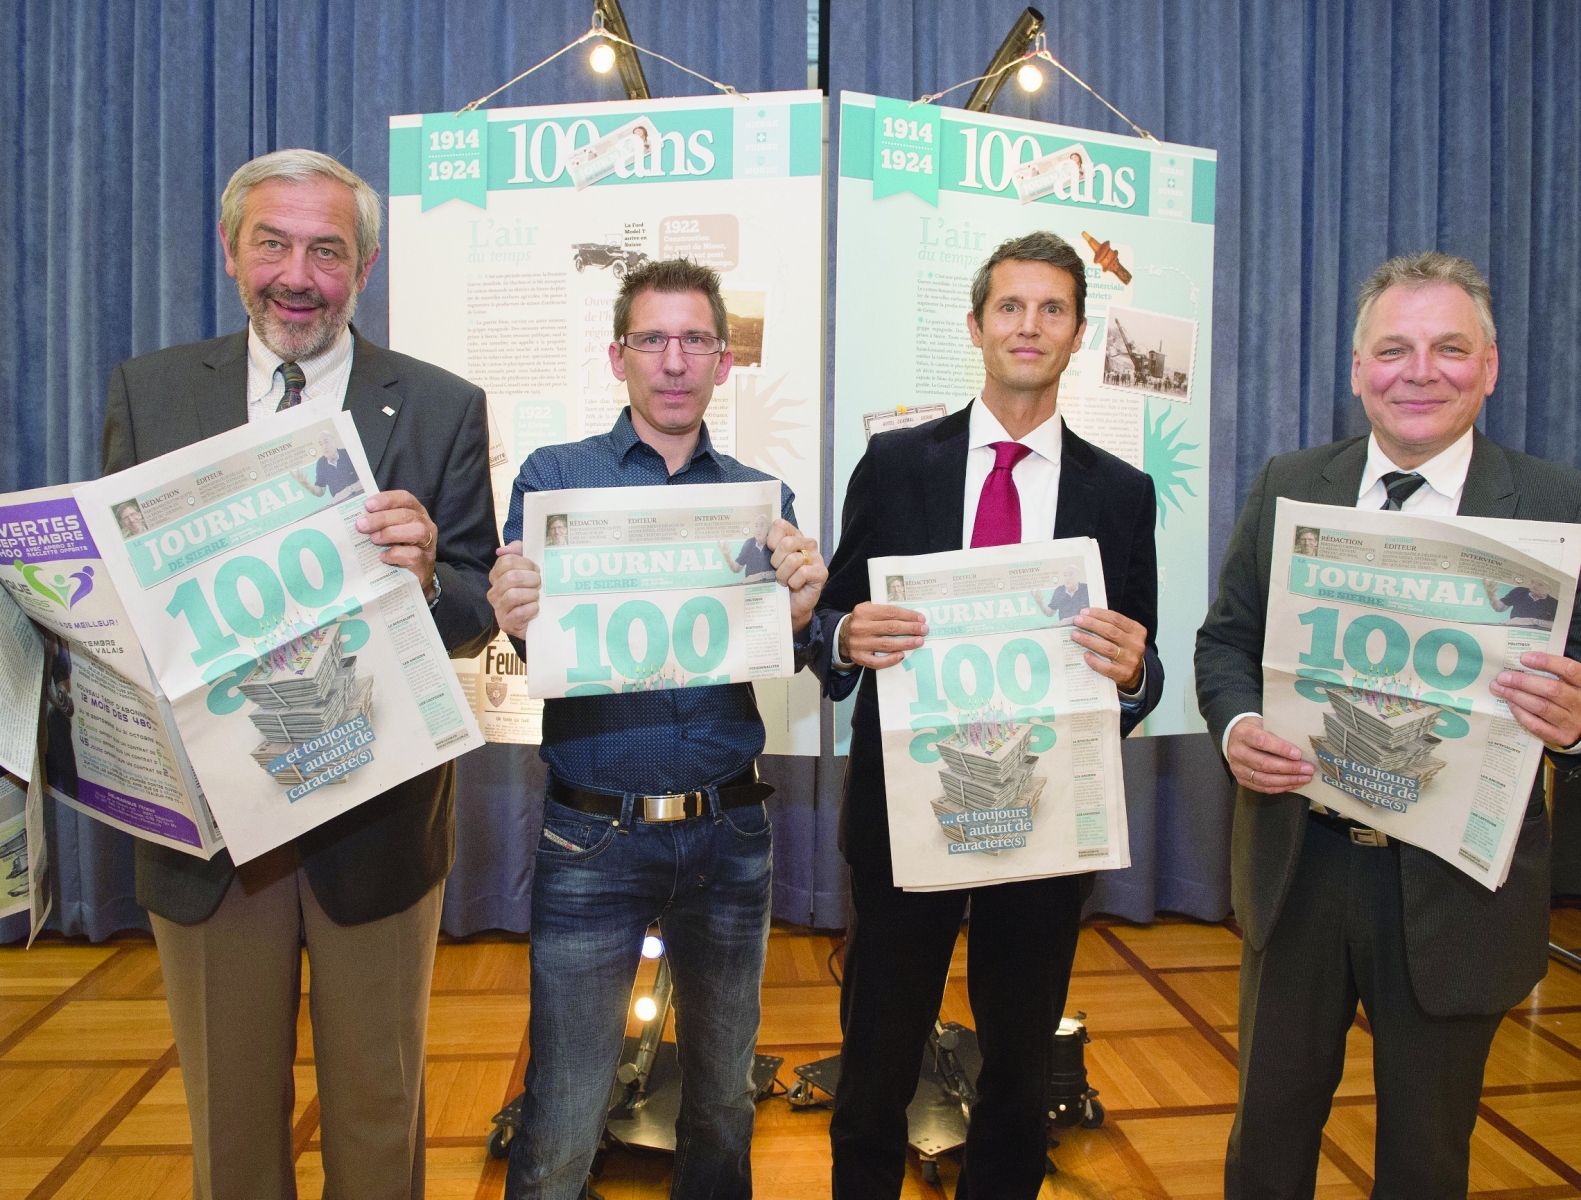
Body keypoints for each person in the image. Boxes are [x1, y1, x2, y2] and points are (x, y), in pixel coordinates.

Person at [100, 148, 497, 1200]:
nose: (298, 275)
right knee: (231, 1127)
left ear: (361, 268)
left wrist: (425, 575)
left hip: (376, 824)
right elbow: (113, 603)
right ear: (232, 254)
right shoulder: (149, 395)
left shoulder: (441, 406)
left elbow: (474, 606)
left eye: (327, 250)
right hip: (212, 838)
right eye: (272, 243)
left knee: (379, 1114)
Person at [1195, 251, 1581, 1198]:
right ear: (1357, 367)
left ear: (1489, 366)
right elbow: (1224, 643)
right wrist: (1237, 722)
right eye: (1392, 349)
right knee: (1268, 1139)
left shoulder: (1556, 505)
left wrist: (1576, 722)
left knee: (1425, 1157)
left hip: (1459, 893)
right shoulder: (1291, 482)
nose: (1419, 372)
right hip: (1301, 867)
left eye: (1449, 348)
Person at [811, 231, 1163, 1198]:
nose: (1028, 326)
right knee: (876, 1059)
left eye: (1052, 310)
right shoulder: (893, 466)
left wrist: (1133, 673)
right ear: (974, 325)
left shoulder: (1122, 493)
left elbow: (1145, 666)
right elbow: (828, 622)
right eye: (1010, 307)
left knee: (1018, 1071)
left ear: (1078, 335)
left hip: (1042, 821)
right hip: (904, 815)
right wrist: (846, 638)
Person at [486, 257, 828, 1200]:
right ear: (617, 356)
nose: (673, 361)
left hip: (730, 833)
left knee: (722, 1102)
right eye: (652, 339)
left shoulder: (765, 500)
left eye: (695, 341)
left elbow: (790, 658)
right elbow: (527, 645)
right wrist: (510, 613)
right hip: (590, 833)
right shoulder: (556, 479)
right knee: (560, 1112)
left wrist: (802, 615)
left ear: (724, 361)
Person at [291, 427, 361, 501]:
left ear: (334, 441)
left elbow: (366, 478)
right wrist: (306, 485)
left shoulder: (347, 453)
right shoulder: (321, 463)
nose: (324, 447)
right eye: (321, 444)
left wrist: (348, 490)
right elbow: (320, 491)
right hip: (340, 502)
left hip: (359, 495)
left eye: (326, 442)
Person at [1485, 575, 1559, 628]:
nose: (1534, 586)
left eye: (1539, 584)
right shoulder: (1519, 591)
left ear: (1549, 589)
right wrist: (1492, 595)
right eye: (1532, 582)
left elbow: (1558, 626)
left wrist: (1533, 621)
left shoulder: (1555, 603)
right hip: (1514, 631)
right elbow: (1500, 608)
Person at [720, 512, 775, 581]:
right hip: (750, 588)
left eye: (762, 525)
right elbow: (737, 568)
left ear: (768, 528)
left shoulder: (773, 543)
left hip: (769, 588)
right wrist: (728, 558)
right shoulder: (749, 543)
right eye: (756, 526)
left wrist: (759, 576)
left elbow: (778, 572)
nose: (758, 529)